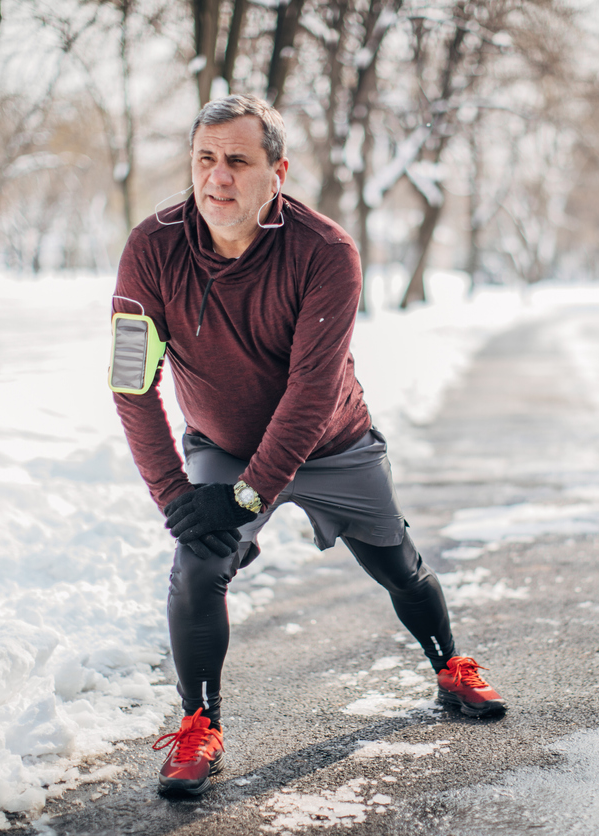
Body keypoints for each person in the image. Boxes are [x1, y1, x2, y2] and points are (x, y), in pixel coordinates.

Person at [111, 94, 506, 796]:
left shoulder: (325, 252)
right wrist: (176, 495)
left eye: (238, 160)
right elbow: (131, 382)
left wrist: (248, 497)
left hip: (334, 445)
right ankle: (200, 726)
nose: (218, 177)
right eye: (205, 159)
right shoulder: (152, 248)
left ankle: (449, 668)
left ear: (277, 172)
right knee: (196, 567)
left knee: (399, 565)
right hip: (223, 445)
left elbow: (310, 394)